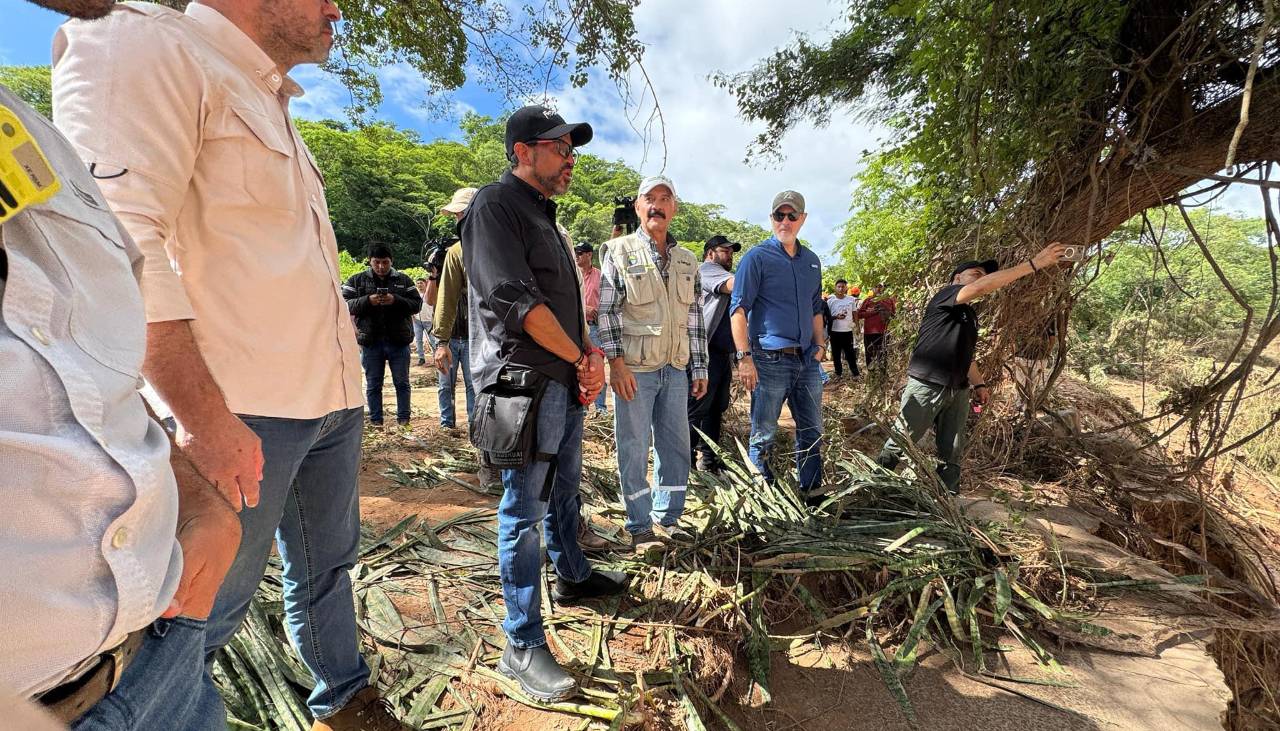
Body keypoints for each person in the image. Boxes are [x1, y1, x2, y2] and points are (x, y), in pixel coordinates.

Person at [53, 2, 412, 728]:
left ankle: (342, 698)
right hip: (240, 413)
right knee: (194, 616)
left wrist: (346, 400)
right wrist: (203, 419)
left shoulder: (269, 100)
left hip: (329, 404)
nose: (338, 8)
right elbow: (119, 248)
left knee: (327, 570)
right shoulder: (148, 44)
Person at [3, 2, 240, 729]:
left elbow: (91, 384)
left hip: (163, 663)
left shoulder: (43, 146)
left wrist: (193, 491)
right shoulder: (128, 62)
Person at [462, 105, 627, 703]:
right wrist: (580, 358)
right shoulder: (494, 207)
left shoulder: (548, 219)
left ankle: (573, 576)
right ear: (523, 151)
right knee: (523, 509)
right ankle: (521, 642)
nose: (571, 159)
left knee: (565, 489)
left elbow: (567, 307)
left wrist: (587, 353)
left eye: (571, 148)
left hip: (562, 377)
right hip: (522, 383)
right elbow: (515, 301)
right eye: (560, 147)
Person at [876, 245, 1067, 493]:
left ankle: (947, 499)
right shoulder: (945, 296)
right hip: (927, 384)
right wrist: (1034, 264)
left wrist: (979, 384)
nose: (982, 278)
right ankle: (872, 486)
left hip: (958, 390)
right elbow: (980, 288)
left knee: (952, 449)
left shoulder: (970, 315)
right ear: (957, 278)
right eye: (976, 273)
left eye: (983, 274)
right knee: (902, 441)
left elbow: (967, 356)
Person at [598, 176, 709, 552]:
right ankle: (640, 525)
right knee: (633, 444)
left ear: (675, 208)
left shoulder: (687, 259)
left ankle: (669, 517)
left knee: (676, 445)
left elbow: (694, 317)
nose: (658, 205)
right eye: (650, 199)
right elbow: (608, 311)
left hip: (676, 368)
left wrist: (700, 367)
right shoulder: (618, 251)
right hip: (636, 369)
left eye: (665, 198)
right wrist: (616, 364)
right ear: (637, 207)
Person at [730, 191, 827, 498]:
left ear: (803, 219)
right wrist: (745, 357)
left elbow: (815, 308)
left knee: (812, 431)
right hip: (769, 360)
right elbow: (739, 309)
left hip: (807, 361)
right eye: (779, 216)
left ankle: (812, 493)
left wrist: (821, 344)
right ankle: (764, 498)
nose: (785, 221)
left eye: (791, 216)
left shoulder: (811, 262)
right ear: (771, 219)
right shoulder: (756, 258)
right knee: (764, 433)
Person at [344, 244, 424, 428]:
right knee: (373, 385)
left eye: (385, 262)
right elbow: (343, 304)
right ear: (370, 261)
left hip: (399, 342)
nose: (381, 267)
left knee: (402, 383)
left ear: (391, 261)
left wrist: (395, 300)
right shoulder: (357, 280)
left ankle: (404, 420)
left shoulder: (403, 280)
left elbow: (417, 305)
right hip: (371, 342)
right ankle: (376, 421)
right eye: (377, 262)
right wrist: (367, 300)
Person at [688, 234, 741, 473]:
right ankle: (685, 461)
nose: (729, 255)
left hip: (721, 354)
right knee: (697, 407)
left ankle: (708, 461)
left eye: (731, 252)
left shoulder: (720, 271)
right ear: (710, 253)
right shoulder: (707, 269)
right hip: (703, 353)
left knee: (716, 407)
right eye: (725, 251)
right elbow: (735, 285)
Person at [431, 188, 478, 431]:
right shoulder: (457, 252)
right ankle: (472, 430)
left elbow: (446, 299)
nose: (457, 221)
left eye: (459, 215)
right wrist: (442, 342)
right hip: (487, 340)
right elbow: (443, 299)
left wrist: (441, 342)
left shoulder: (457, 252)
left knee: (477, 387)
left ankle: (478, 430)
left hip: (486, 341)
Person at [576, 241, 609, 413]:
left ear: (589, 255)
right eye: (576, 252)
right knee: (579, 367)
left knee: (595, 367)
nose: (577, 256)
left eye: (580, 253)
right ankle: (582, 407)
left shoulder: (600, 276)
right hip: (577, 327)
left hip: (594, 328)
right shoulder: (573, 275)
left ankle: (600, 409)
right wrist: (586, 308)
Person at [827, 279, 861, 379]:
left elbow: (855, 313)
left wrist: (857, 326)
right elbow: (827, 316)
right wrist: (836, 317)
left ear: (846, 288)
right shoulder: (830, 301)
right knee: (836, 354)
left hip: (847, 331)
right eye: (839, 286)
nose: (841, 288)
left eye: (843, 286)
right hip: (834, 331)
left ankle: (855, 374)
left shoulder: (851, 300)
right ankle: (838, 373)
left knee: (850, 353)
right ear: (835, 288)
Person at [858, 282, 896, 371]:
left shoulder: (889, 300)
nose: (878, 289)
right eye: (876, 286)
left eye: (880, 287)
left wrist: (886, 312)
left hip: (884, 332)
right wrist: (873, 312)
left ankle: (882, 376)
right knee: (870, 354)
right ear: (872, 289)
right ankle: (871, 376)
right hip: (869, 332)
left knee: (883, 354)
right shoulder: (868, 301)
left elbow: (894, 315)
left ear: (883, 288)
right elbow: (859, 314)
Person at [413, 277, 435, 367]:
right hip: (417, 321)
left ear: (425, 283)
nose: (419, 285)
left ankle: (435, 357)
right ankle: (421, 358)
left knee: (433, 340)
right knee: (418, 340)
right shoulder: (415, 295)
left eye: (421, 283)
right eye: (418, 283)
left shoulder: (430, 293)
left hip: (429, 321)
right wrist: (412, 316)